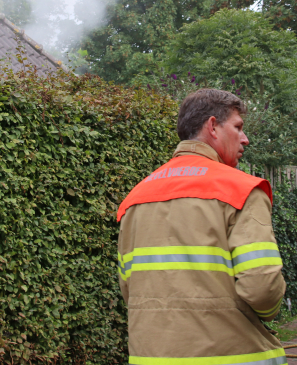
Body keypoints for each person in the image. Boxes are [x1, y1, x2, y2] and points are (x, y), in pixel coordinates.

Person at [117, 89, 287, 365]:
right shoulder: (241, 189)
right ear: (212, 127)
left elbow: (129, 287)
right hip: (231, 354)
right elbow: (262, 286)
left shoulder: (135, 198)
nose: (245, 138)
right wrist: (267, 313)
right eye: (238, 127)